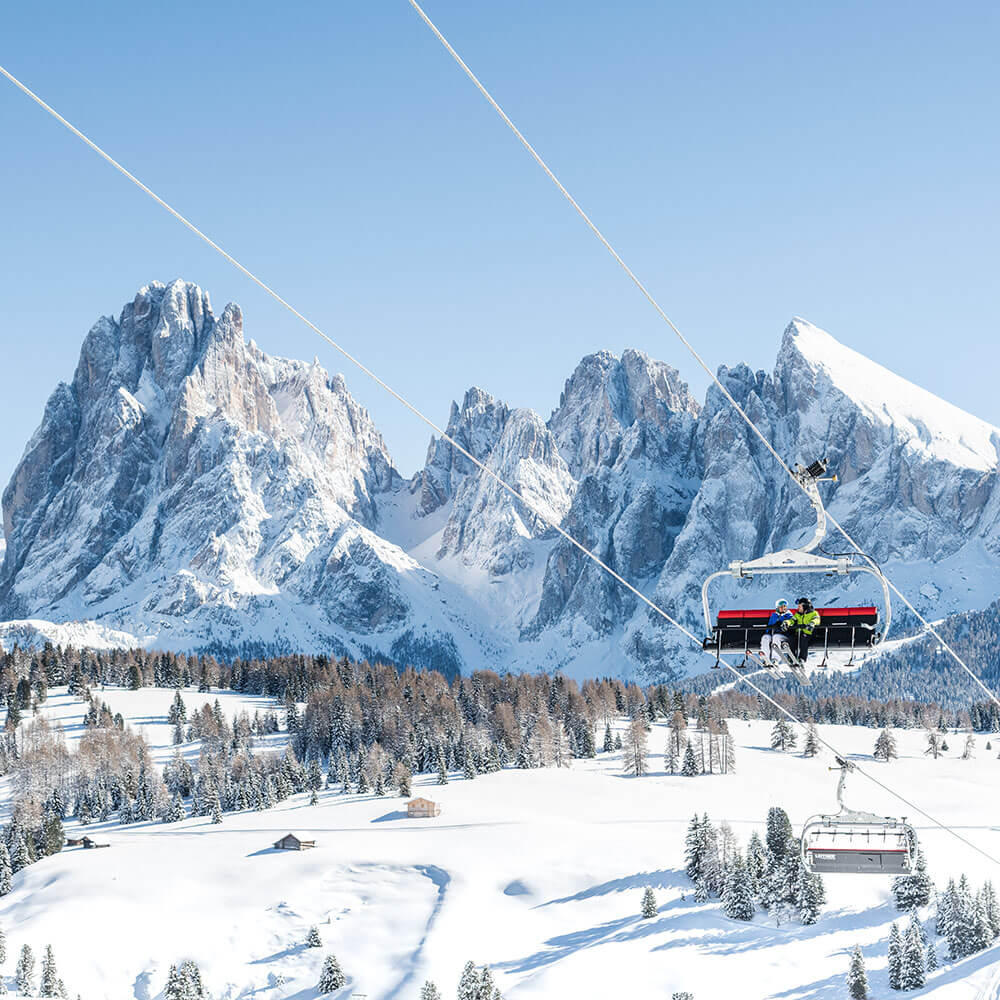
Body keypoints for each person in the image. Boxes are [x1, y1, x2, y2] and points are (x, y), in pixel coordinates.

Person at [761, 599, 793, 664]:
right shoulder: (774, 616)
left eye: (785, 606)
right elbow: (769, 626)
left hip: (784, 635)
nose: (783, 608)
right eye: (781, 607)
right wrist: (771, 629)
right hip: (774, 633)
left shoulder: (789, 616)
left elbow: (790, 624)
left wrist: (781, 624)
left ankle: (775, 659)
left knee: (776, 637)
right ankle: (766, 658)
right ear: (777, 608)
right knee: (765, 637)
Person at [791, 597, 821, 662]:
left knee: (803, 638)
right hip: (799, 634)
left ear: (805, 606)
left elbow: (817, 620)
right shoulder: (797, 615)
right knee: (791, 639)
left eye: (799, 606)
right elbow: (791, 620)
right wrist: (786, 623)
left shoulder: (814, 613)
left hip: (809, 635)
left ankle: (802, 658)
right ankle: (791, 657)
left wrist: (812, 623)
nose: (798, 608)